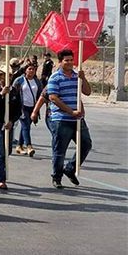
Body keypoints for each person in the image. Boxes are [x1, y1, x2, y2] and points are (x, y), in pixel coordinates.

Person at [47, 49, 92, 189]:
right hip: (61, 119)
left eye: (71, 60)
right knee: (60, 150)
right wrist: (70, 111)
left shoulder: (76, 76)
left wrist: (83, 78)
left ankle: (70, 168)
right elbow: (53, 97)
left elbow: (87, 92)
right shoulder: (55, 78)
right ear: (60, 62)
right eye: (66, 60)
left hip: (77, 118)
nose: (70, 63)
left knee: (86, 144)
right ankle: (57, 177)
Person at [0, 66, 22, 190]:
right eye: (1, 76)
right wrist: (1, 94)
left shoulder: (15, 91)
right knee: (0, 151)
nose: (4, 79)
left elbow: (18, 109)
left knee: (7, 151)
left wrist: (12, 121)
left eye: (7, 76)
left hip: (8, 125)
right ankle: (1, 178)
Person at [12, 63, 43, 157]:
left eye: (33, 69)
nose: (31, 71)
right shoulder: (20, 80)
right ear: (25, 70)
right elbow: (13, 93)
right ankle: (29, 146)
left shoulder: (37, 82)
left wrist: (37, 110)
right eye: (29, 69)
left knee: (25, 127)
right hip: (22, 107)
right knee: (26, 126)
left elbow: (40, 95)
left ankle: (19, 146)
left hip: (32, 107)